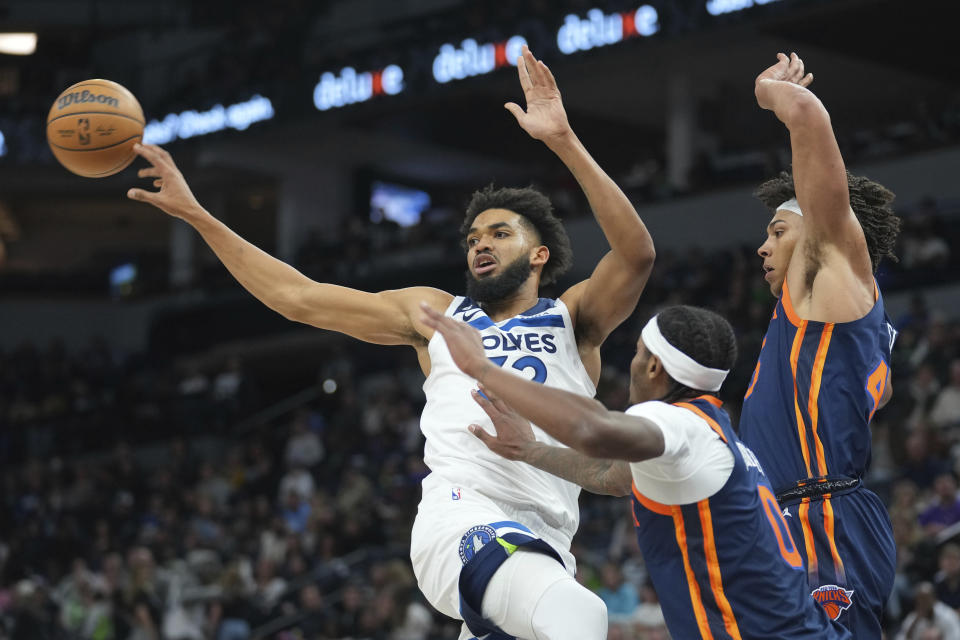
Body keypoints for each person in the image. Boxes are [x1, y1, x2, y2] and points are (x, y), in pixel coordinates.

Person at [127, 45, 655, 640]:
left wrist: (562, 140)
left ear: (540, 255)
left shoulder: (573, 318)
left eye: (500, 233)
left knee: (556, 607)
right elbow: (298, 297)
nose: (480, 244)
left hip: (545, 545)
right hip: (461, 517)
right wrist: (199, 215)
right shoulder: (433, 313)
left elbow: (636, 254)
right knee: (581, 615)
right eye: (473, 236)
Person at [422, 303, 849, 639]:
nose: (631, 363)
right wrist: (530, 450)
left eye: (638, 352)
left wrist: (482, 368)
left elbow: (591, 429)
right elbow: (612, 477)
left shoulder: (680, 427)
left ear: (653, 368)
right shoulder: (712, 433)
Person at [737, 52, 903, 637]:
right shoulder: (806, 316)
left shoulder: (831, 271)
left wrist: (770, 93)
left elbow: (807, 114)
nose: (763, 247)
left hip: (822, 515)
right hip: (789, 516)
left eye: (777, 230)